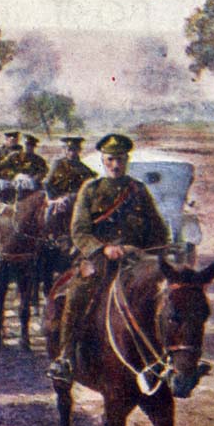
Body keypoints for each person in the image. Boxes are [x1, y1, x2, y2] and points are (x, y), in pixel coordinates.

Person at [47, 134, 171, 383]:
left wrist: (141, 249)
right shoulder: (90, 189)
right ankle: (66, 356)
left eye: (121, 159)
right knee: (78, 292)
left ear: (127, 160)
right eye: (111, 159)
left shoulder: (138, 190)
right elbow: (79, 231)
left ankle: (166, 358)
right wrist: (103, 249)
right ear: (103, 161)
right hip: (98, 260)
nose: (116, 165)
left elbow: (158, 230)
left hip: (134, 261)